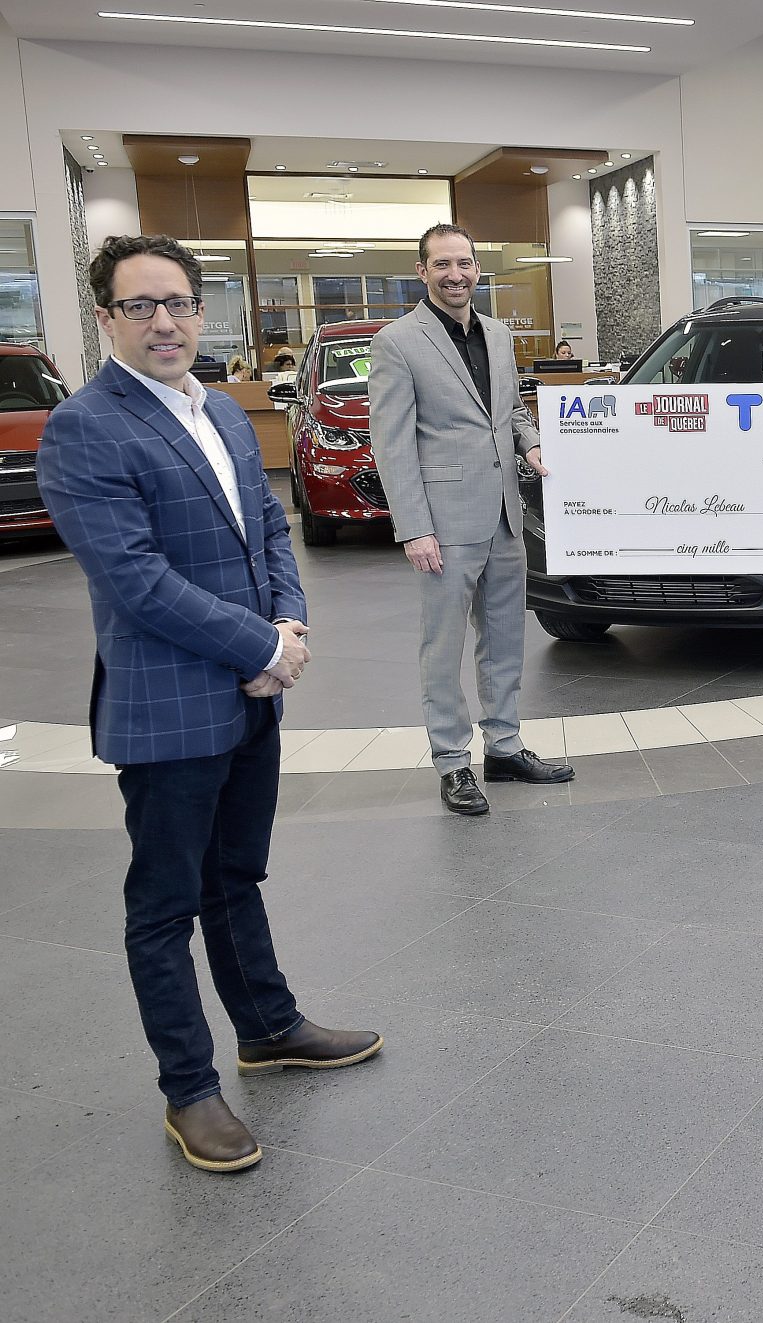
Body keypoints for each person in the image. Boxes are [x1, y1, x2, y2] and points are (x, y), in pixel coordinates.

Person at [38, 235, 382, 1173]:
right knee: (164, 904)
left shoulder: (225, 411)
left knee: (237, 876)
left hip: (253, 694)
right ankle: (188, 1088)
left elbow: (270, 527)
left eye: (180, 303)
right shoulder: (84, 427)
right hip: (170, 707)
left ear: (201, 311)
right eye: (141, 305)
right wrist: (263, 647)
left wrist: (288, 619)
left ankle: (267, 1025)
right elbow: (136, 580)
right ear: (105, 317)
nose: (165, 321)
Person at [371, 223, 574, 815]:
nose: (456, 275)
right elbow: (393, 443)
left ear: (477, 268)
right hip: (444, 521)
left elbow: (507, 413)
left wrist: (531, 444)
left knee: (506, 639)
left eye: (465, 263)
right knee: (444, 647)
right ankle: (452, 762)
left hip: (507, 516)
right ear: (422, 271)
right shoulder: (398, 342)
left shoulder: (499, 335)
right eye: (442, 265)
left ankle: (505, 747)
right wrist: (414, 527)